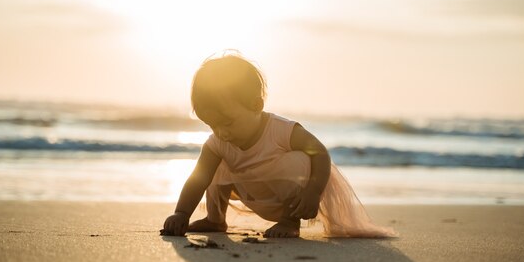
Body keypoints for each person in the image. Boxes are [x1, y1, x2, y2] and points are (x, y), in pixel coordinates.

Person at [162, 51, 395, 238]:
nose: (221, 132)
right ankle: (215, 218)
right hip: (250, 189)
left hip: (293, 199)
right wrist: (181, 213)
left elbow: (320, 153)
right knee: (211, 163)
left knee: (299, 159)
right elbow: (198, 179)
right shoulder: (218, 141)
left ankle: (290, 222)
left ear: (256, 105)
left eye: (227, 122)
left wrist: (313, 192)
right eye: (212, 125)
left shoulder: (281, 130)